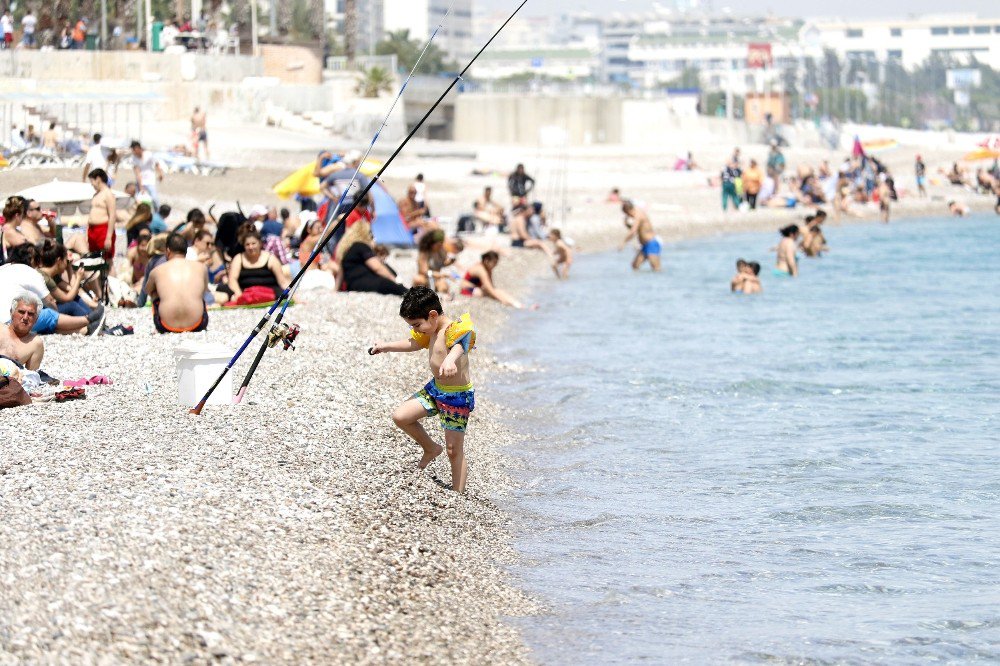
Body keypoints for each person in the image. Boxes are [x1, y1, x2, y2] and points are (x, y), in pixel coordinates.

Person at [371, 286, 477, 492]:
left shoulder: (455, 329)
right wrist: (385, 346)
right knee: (401, 416)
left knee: (454, 450)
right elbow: (413, 343)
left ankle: (458, 494)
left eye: (417, 325)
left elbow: (461, 345)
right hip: (435, 390)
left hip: (456, 397)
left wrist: (450, 360)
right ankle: (430, 448)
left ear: (433, 315)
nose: (416, 330)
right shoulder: (430, 330)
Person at [0, 243, 104, 335]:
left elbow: (72, 290)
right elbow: (54, 301)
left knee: (47, 320)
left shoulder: (4, 268)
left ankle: (86, 329)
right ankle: (88, 319)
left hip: (7, 318)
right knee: (49, 315)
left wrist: (70, 269)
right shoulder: (32, 273)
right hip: (10, 319)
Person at [144, 234, 209, 333]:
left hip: (166, 325)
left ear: (168, 250)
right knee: (198, 291)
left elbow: (148, 290)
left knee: (154, 291)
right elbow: (204, 290)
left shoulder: (157, 271)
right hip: (197, 324)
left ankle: (161, 325)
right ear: (186, 251)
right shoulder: (201, 268)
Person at [335, 220, 407, 295]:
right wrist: (394, 281)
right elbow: (377, 268)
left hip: (352, 286)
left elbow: (340, 274)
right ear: (364, 233)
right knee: (393, 287)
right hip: (366, 283)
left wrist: (335, 290)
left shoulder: (346, 249)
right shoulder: (361, 246)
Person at [227, 229, 289, 303]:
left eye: (253, 243)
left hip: (270, 293)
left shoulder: (270, 258)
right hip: (246, 294)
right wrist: (238, 294)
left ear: (260, 243)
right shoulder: (238, 259)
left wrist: (293, 296)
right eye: (247, 244)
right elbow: (232, 280)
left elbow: (282, 281)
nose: (251, 247)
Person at [1, 292, 45, 370]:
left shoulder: (35, 344)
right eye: (21, 312)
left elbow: (31, 377)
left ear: (36, 319)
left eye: (30, 314)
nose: (25, 317)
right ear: (12, 313)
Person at [619, 200, 661, 272]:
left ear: (628, 210)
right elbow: (638, 230)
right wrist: (627, 225)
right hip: (644, 245)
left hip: (651, 243)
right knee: (635, 266)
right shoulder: (636, 215)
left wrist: (623, 242)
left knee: (656, 269)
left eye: (627, 214)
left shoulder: (638, 215)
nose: (628, 216)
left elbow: (633, 231)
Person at [87, 168, 117, 261]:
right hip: (92, 230)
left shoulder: (108, 194)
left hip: (103, 229)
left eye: (92, 181)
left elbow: (112, 216)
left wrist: (108, 237)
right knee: (94, 258)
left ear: (98, 179)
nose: (91, 184)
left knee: (107, 260)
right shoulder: (96, 195)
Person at [413, 229, 454, 294]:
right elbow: (424, 271)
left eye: (441, 244)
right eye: (438, 245)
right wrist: (440, 274)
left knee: (444, 287)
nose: (440, 246)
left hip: (437, 278)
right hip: (426, 278)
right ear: (431, 243)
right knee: (418, 280)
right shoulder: (424, 252)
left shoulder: (441, 250)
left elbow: (443, 264)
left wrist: (451, 261)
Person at [130, 140, 164, 207]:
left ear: (139, 148)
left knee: (154, 198)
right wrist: (141, 187)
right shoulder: (134, 158)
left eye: (134, 149)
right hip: (140, 181)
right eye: (132, 150)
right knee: (138, 199)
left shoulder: (148, 154)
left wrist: (160, 174)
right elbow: (137, 173)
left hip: (150, 180)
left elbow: (156, 164)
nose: (133, 152)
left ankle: (158, 214)